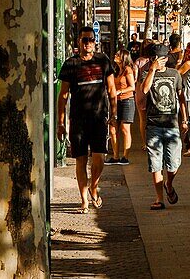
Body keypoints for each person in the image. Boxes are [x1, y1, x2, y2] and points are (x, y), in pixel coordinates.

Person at [58, 26, 118, 214]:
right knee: (80, 160)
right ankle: (84, 200)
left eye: (91, 40)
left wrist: (114, 114)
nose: (88, 43)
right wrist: (61, 123)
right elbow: (63, 95)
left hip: (99, 118)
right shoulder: (71, 64)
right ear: (79, 42)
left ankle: (94, 186)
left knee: (99, 157)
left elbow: (111, 90)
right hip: (78, 120)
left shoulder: (103, 61)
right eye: (85, 40)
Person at [140, 44, 187, 210]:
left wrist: (185, 119)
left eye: (159, 58)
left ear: (166, 58)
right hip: (153, 124)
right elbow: (144, 90)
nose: (156, 61)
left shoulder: (174, 74)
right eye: (154, 58)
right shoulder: (146, 74)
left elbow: (181, 98)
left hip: (172, 125)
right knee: (156, 163)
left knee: (174, 163)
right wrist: (152, 71)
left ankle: (169, 183)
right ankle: (159, 199)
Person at [106, 48, 136, 166]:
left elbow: (132, 87)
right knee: (113, 128)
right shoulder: (116, 70)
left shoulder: (127, 70)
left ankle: (125, 156)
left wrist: (120, 91)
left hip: (127, 101)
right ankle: (115, 156)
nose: (115, 55)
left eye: (118, 54)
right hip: (115, 102)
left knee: (124, 128)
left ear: (123, 57)